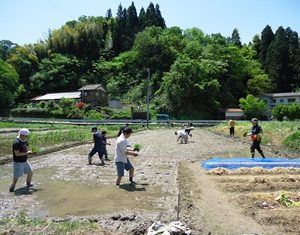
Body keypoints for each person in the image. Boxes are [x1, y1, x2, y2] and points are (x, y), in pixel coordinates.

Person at [9, 128, 34, 192]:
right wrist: (27, 153)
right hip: (18, 162)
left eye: (27, 136)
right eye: (26, 136)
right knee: (16, 178)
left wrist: (31, 152)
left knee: (30, 172)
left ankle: (28, 184)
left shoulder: (24, 141)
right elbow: (17, 154)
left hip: (25, 161)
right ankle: (11, 189)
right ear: (21, 135)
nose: (26, 137)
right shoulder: (16, 142)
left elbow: (27, 149)